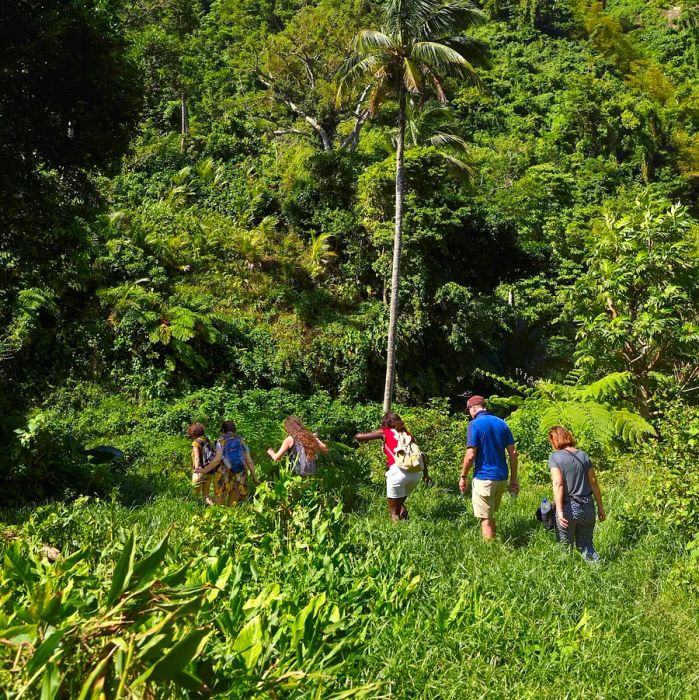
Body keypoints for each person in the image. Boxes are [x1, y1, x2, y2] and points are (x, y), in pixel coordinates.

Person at [459, 395, 519, 541]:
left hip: (483, 477)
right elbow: (513, 453)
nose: (469, 414)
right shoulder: (502, 423)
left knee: (485, 518)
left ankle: (491, 553)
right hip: (502, 478)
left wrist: (463, 476)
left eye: (469, 410)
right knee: (490, 515)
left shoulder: (475, 424)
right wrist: (513, 479)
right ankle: (494, 543)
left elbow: (471, 454)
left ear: (473, 408)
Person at [355, 411, 430, 522]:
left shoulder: (385, 432)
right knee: (400, 504)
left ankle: (397, 535)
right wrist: (426, 475)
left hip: (398, 472)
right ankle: (407, 527)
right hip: (415, 474)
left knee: (394, 513)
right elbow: (421, 455)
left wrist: (357, 435)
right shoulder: (407, 435)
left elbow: (360, 437)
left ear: (386, 422)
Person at [548, 426, 606, 561]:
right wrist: (600, 507)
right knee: (586, 546)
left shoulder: (555, 457)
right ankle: (598, 573)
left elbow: (558, 484)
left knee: (564, 548)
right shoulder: (583, 455)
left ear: (554, 440)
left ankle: (566, 577)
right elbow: (593, 482)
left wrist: (560, 511)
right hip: (587, 507)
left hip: (568, 508)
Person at [207, 420, 260, 506]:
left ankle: (219, 514)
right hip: (239, 472)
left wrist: (206, 469)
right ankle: (232, 515)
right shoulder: (242, 441)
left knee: (220, 497)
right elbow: (249, 461)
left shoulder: (220, 441)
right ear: (234, 429)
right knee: (234, 500)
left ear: (223, 430)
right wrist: (255, 477)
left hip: (223, 472)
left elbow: (217, 459)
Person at [188, 422, 217, 505]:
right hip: (209, 470)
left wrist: (197, 470)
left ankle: (195, 509)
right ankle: (214, 509)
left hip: (200, 471)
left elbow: (197, 457)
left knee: (195, 494)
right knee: (206, 495)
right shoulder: (206, 440)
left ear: (193, 433)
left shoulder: (195, 443)